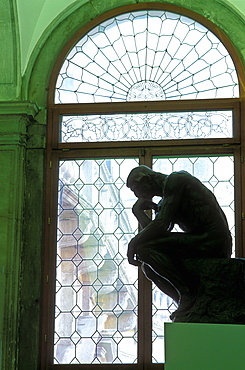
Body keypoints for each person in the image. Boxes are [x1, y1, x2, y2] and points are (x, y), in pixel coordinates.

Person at [126, 165, 232, 305]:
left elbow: (161, 225)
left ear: (147, 180)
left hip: (213, 241)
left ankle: (187, 294)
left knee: (144, 250)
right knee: (148, 266)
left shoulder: (176, 181)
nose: (136, 195)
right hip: (199, 241)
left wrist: (133, 244)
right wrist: (138, 212)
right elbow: (157, 234)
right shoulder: (165, 201)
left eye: (136, 189)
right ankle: (184, 304)